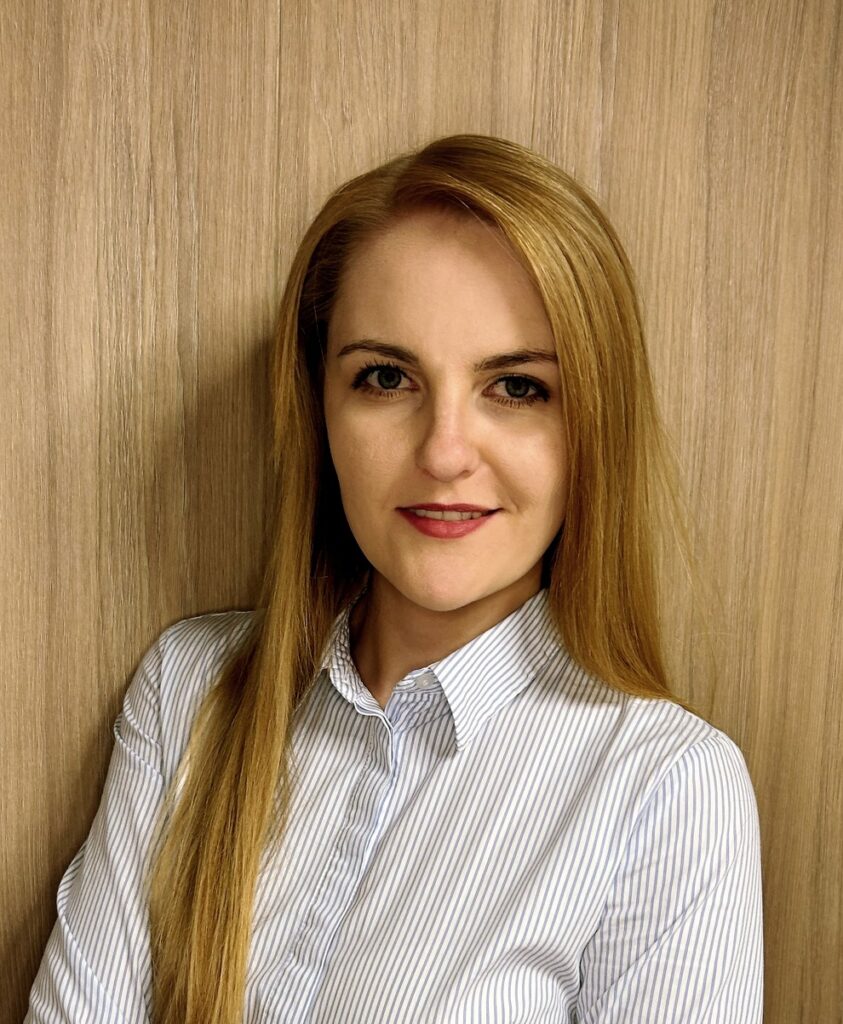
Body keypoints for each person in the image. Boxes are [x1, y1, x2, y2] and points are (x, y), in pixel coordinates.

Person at [26, 133, 763, 1023]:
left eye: (517, 388)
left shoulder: (666, 789)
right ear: (320, 410)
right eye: (385, 377)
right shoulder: (191, 687)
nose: (444, 454)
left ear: (592, 427)